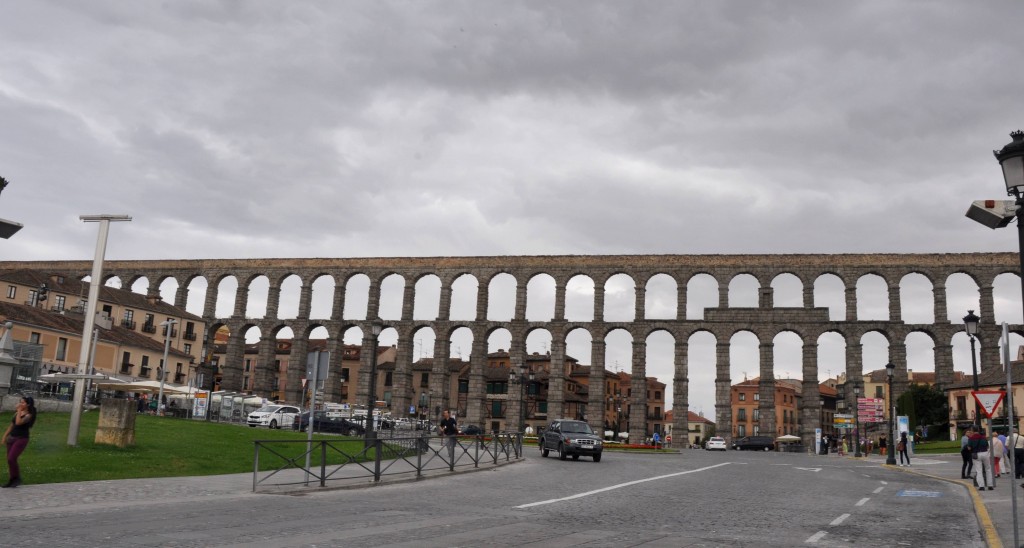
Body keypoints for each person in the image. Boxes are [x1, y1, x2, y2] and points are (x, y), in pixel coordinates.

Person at [2, 396, 36, 488]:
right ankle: (12, 479)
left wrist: (19, 410)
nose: (21, 404)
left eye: (23, 403)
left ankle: (16, 478)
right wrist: (4, 436)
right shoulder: (17, 413)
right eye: (20, 402)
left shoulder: (29, 415)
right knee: (10, 460)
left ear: (28, 404)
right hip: (12, 438)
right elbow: (12, 425)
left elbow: (18, 422)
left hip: (21, 438)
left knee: (11, 458)